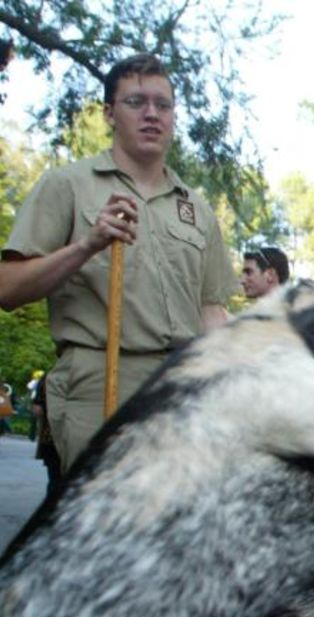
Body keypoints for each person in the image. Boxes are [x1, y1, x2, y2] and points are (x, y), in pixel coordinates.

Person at [0, 53, 238, 472]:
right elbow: (8, 288)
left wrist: (231, 377)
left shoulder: (196, 209)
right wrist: (86, 246)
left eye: (163, 105)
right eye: (136, 103)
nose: (152, 115)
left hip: (180, 386)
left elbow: (211, 310)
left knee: (173, 528)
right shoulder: (67, 185)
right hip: (100, 380)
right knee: (102, 528)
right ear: (109, 113)